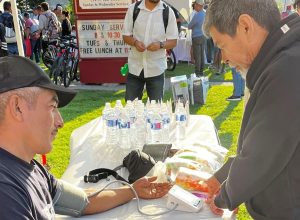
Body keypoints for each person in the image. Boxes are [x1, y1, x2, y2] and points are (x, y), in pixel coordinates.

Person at [0, 56, 172, 219]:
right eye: (52, 107)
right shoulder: (5, 191)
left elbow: (83, 202)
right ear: (18, 108)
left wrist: (133, 190)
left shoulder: (31, 168)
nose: (60, 122)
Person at [203, 0, 300, 219]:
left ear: (245, 26)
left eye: (222, 46)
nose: (225, 59)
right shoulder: (284, 59)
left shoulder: (287, 68)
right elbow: (261, 139)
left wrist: (224, 195)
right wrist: (222, 176)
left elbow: (263, 153)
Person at [123, 0, 178, 101]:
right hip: (135, 67)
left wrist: (160, 45)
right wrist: (135, 43)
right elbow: (126, 36)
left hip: (156, 69)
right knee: (130, 110)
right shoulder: (133, 9)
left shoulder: (167, 12)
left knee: (156, 112)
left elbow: (173, 41)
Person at [188, 0, 206, 76]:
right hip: (203, 35)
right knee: (202, 55)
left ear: (199, 6)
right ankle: (201, 71)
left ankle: (198, 73)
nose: (194, 6)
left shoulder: (197, 15)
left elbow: (189, 26)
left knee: (197, 56)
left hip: (196, 36)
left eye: (195, 5)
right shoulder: (205, 13)